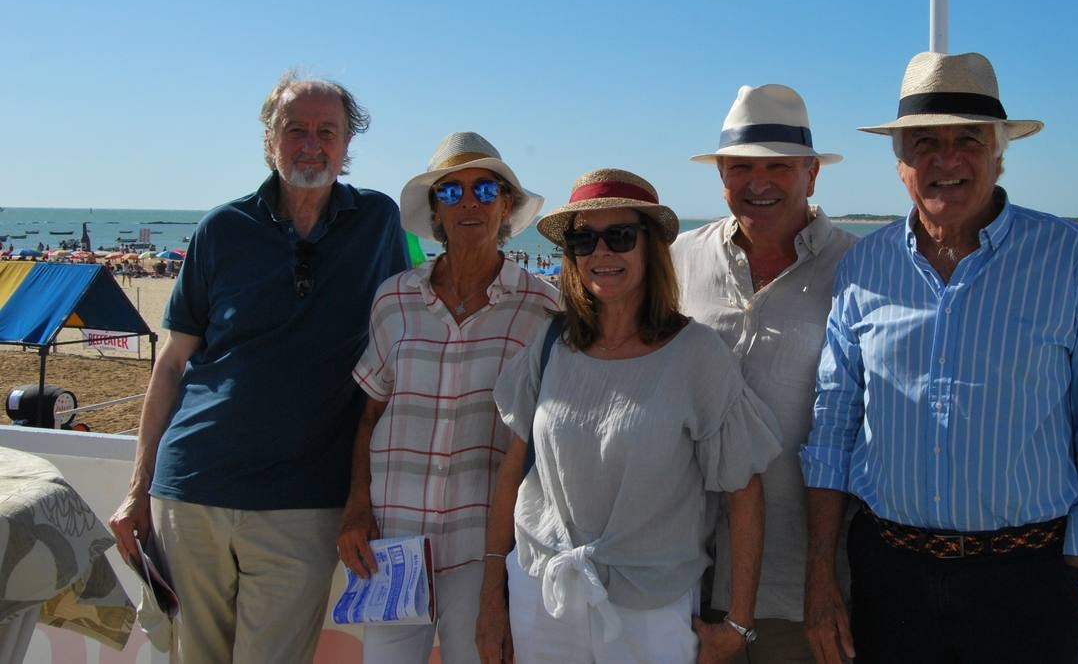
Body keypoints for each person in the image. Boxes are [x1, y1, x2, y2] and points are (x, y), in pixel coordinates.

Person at [801, 52, 1078, 664]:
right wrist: (821, 573)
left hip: (1027, 581)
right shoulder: (865, 265)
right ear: (900, 161)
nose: (947, 159)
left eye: (968, 139)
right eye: (925, 141)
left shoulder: (1067, 258)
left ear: (999, 153)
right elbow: (833, 426)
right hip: (889, 579)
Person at [108, 72, 410, 664]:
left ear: (348, 146)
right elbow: (171, 366)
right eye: (295, 129)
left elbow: (403, 329)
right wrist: (137, 490)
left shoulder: (378, 221)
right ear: (270, 141)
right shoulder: (222, 229)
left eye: (328, 131)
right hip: (191, 489)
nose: (311, 144)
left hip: (306, 501)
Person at [476, 170, 783, 664]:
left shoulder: (695, 354)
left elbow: (743, 492)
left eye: (619, 237)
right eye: (583, 240)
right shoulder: (550, 344)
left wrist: (738, 623)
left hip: (654, 607)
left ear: (651, 248)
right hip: (545, 591)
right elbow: (513, 471)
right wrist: (492, 593)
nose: (601, 253)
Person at [337, 133, 558, 663]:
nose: (469, 203)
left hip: (482, 546)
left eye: (485, 189)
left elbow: (543, 440)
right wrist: (356, 508)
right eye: (452, 191)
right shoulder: (394, 299)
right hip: (393, 542)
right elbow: (370, 415)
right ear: (436, 208)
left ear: (506, 205)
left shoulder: (542, 309)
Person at [671, 84, 856, 663]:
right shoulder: (676, 259)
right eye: (741, 167)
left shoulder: (860, 267)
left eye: (779, 166)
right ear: (721, 175)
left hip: (803, 583)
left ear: (811, 174)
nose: (759, 182)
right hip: (681, 575)